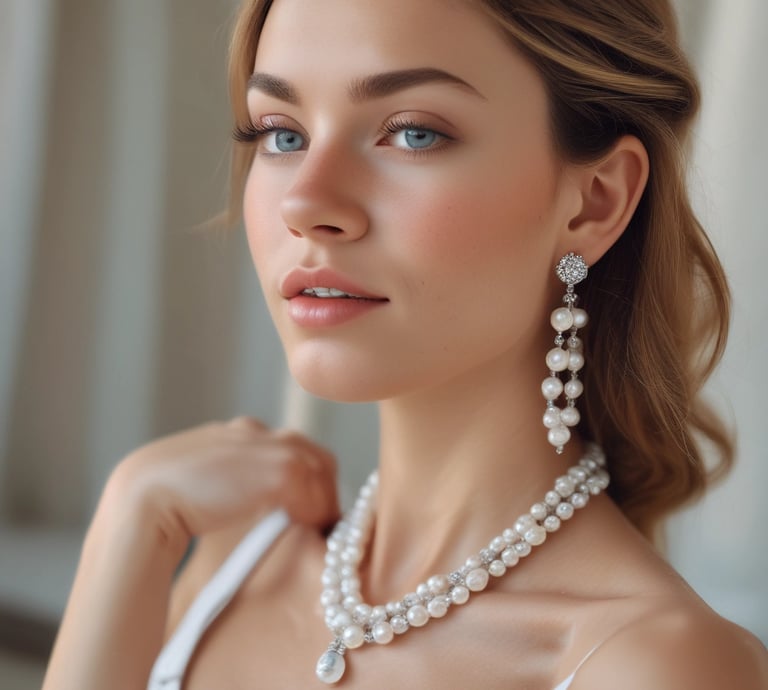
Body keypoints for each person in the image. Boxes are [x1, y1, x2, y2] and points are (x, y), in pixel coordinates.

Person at [43, 0, 768, 688]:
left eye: (414, 131)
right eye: (282, 134)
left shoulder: (654, 664)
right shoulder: (235, 560)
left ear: (596, 199)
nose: (306, 202)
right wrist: (130, 521)